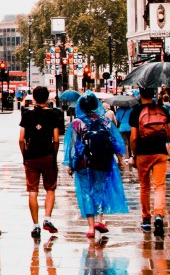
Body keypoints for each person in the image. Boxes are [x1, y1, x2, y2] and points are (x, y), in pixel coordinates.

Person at [64, 92, 129, 238]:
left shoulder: (76, 123)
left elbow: (73, 146)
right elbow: (115, 141)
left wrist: (70, 165)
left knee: (86, 192)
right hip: (103, 161)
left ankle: (90, 227)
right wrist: (120, 159)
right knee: (100, 189)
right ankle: (100, 220)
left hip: (83, 163)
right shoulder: (105, 121)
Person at [129, 86, 170, 235]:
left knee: (144, 187)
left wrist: (134, 155)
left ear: (140, 94)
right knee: (159, 186)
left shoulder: (136, 112)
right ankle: (159, 215)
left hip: (143, 153)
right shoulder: (162, 110)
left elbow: (134, 138)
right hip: (160, 152)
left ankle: (146, 219)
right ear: (153, 94)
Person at [19, 86, 61, 239]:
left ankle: (35, 225)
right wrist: (53, 154)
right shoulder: (54, 115)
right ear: (47, 98)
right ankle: (47, 219)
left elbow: (21, 139)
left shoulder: (27, 115)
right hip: (48, 155)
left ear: (34, 98)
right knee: (50, 188)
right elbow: (56, 139)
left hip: (31, 157)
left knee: (32, 191)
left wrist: (25, 156)